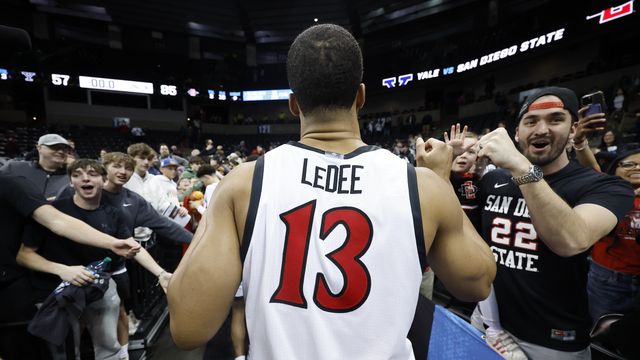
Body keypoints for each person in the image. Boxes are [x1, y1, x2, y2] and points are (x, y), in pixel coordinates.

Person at [167, 24, 496, 359]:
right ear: (361, 96)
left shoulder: (243, 183)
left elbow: (188, 327)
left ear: (293, 104)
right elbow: (477, 282)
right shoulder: (421, 185)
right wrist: (440, 180)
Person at [474, 87, 634, 359]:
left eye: (556, 119)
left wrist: (523, 169)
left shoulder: (606, 187)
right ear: (517, 133)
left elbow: (571, 240)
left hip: (554, 340)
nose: (541, 129)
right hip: (489, 324)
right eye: (531, 121)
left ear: (573, 131)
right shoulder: (492, 180)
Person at [0, 172, 140, 360]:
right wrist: (62, 269)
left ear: (103, 179)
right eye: (78, 174)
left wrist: (111, 243)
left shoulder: (111, 213)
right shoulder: (56, 207)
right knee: (64, 350)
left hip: (96, 285)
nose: (86, 179)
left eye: (93, 174)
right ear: (71, 180)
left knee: (106, 347)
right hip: (56, 289)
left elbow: (57, 222)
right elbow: (25, 255)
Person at [587, 149, 640, 321]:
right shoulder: (605, 191)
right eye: (629, 164)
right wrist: (580, 144)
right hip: (608, 277)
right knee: (601, 329)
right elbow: (590, 169)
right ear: (615, 168)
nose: (637, 168)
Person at [1, 133, 72, 200]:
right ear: (39, 148)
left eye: (64, 149)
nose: (61, 151)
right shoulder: (13, 168)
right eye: (55, 147)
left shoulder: (73, 176)